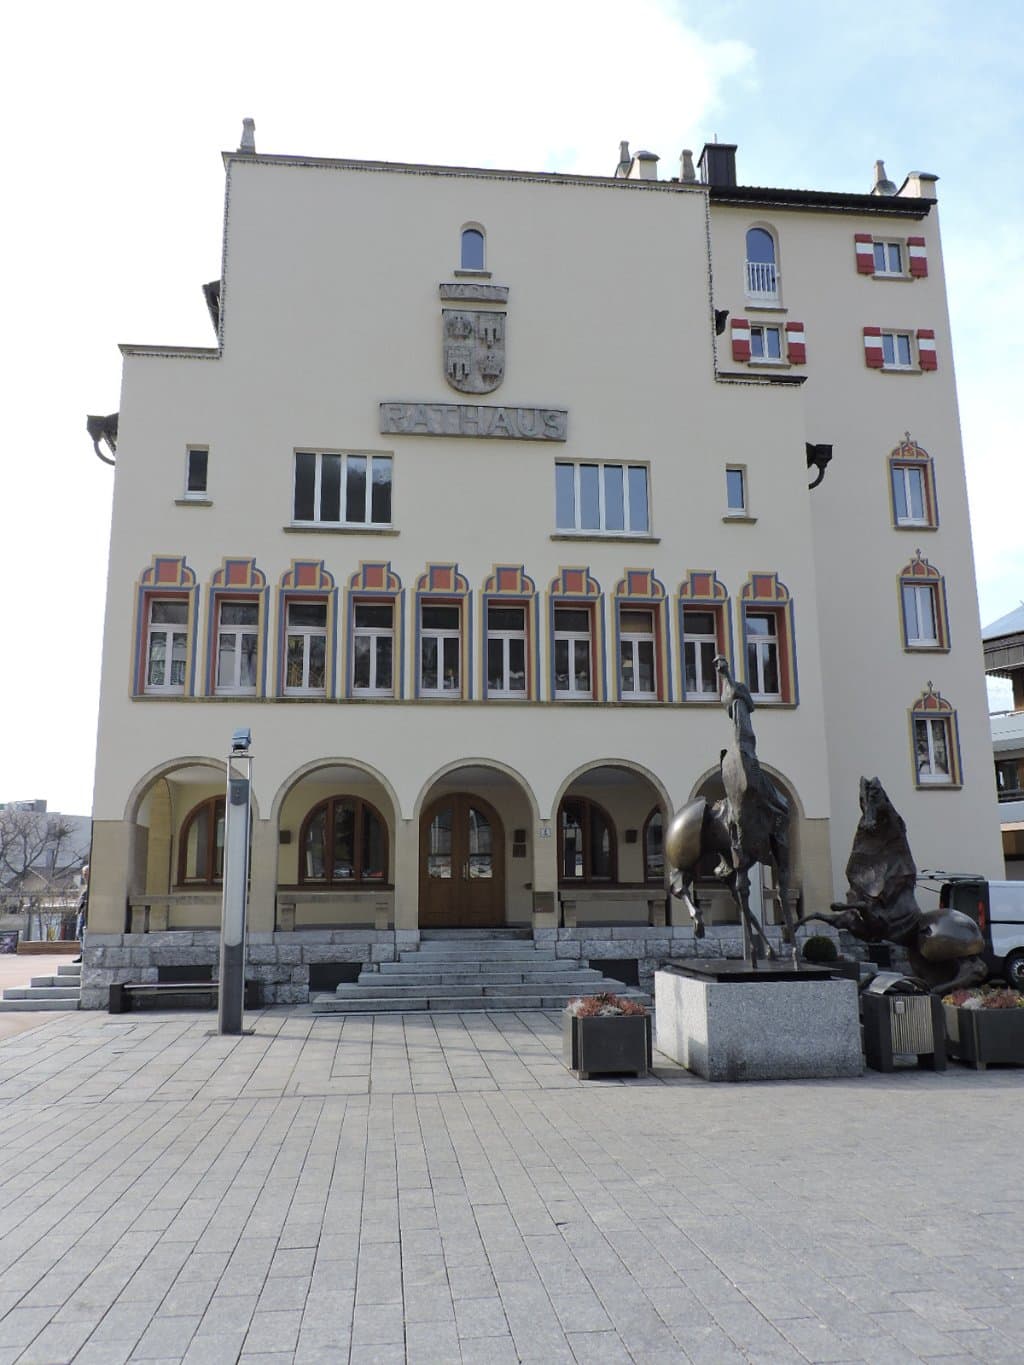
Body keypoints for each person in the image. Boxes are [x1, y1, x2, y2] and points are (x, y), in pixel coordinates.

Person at [72, 863, 88, 963]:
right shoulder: (85, 885)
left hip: (86, 912)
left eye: (87, 874)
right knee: (79, 933)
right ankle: (82, 954)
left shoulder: (93, 885)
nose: (85, 876)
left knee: (82, 932)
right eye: (84, 874)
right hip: (81, 912)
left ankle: (84, 955)